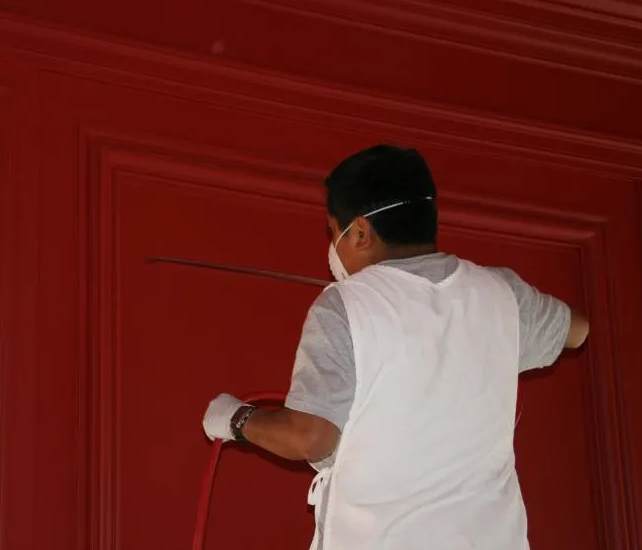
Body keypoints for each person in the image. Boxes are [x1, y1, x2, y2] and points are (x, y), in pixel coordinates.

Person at [202, 144, 590, 550]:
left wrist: (236, 419)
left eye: (334, 233)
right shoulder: (502, 294)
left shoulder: (346, 304)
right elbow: (577, 331)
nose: (333, 247)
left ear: (362, 233)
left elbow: (309, 437)